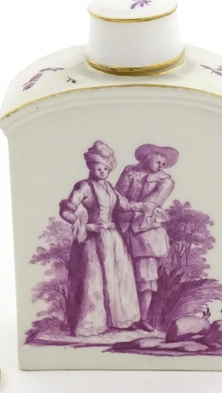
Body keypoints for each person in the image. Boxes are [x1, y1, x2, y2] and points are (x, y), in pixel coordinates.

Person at [59, 141, 159, 337]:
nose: (103, 171)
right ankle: (93, 323)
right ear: (91, 167)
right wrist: (85, 226)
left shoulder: (108, 187)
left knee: (120, 277)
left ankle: (120, 320)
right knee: (94, 280)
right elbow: (66, 211)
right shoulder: (83, 186)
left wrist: (144, 207)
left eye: (106, 168)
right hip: (93, 239)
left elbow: (125, 204)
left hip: (113, 238)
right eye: (99, 168)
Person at [116, 144, 178, 332]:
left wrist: (127, 206)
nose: (161, 166)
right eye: (159, 161)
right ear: (149, 157)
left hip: (146, 231)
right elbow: (116, 195)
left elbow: (151, 203)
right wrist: (123, 206)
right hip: (120, 227)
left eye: (164, 164)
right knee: (120, 273)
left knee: (146, 277)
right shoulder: (129, 172)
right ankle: (122, 318)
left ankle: (142, 318)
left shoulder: (166, 181)